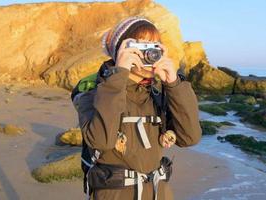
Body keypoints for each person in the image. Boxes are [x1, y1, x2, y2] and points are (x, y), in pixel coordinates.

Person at [75, 16, 201, 200]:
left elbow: (189, 138)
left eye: (154, 47)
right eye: (141, 48)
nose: (148, 54)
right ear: (120, 52)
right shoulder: (94, 93)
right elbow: (101, 141)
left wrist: (174, 84)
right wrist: (118, 76)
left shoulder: (158, 95)